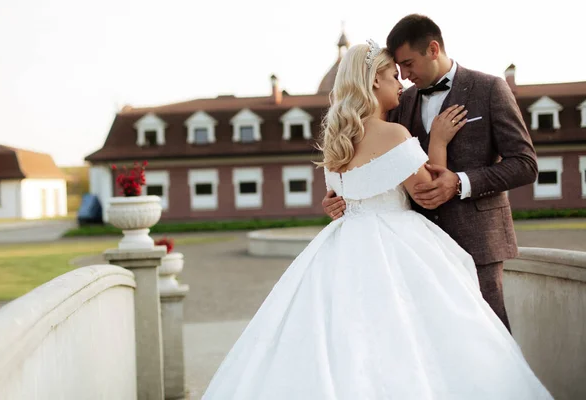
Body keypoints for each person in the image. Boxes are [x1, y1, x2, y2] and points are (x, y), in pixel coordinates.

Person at [202, 40, 552, 399]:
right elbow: (427, 191)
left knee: (348, 341)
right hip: (396, 241)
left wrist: (334, 203)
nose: (400, 84)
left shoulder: (337, 139)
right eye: (391, 77)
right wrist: (440, 142)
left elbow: (340, 195)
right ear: (373, 82)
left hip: (341, 246)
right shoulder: (394, 134)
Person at [322, 14, 538, 333]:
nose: (405, 77)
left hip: (476, 240)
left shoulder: (490, 89)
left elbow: (525, 164)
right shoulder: (398, 103)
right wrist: (338, 199)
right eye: (398, 70)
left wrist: (461, 182)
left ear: (433, 49)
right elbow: (370, 156)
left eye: (408, 65)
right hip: (409, 251)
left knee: (488, 335)